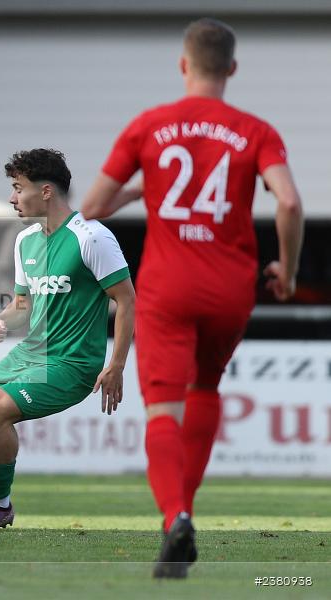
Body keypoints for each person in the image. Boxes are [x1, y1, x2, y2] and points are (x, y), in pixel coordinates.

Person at [81, 18, 304, 578]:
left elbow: (93, 207)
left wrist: (144, 188)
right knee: (205, 387)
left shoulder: (149, 126)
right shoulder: (256, 131)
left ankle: (175, 516)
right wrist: (288, 271)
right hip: (230, 288)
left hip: (168, 287)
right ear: (232, 68)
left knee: (163, 408)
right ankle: (184, 513)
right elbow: (289, 202)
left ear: (183, 65)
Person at [0, 149, 135, 532]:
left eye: (18, 188)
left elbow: (126, 300)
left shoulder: (92, 236)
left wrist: (116, 365)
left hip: (72, 363)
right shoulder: (25, 241)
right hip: (29, 355)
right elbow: (22, 305)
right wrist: (1, 319)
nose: (12, 198)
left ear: (45, 191)